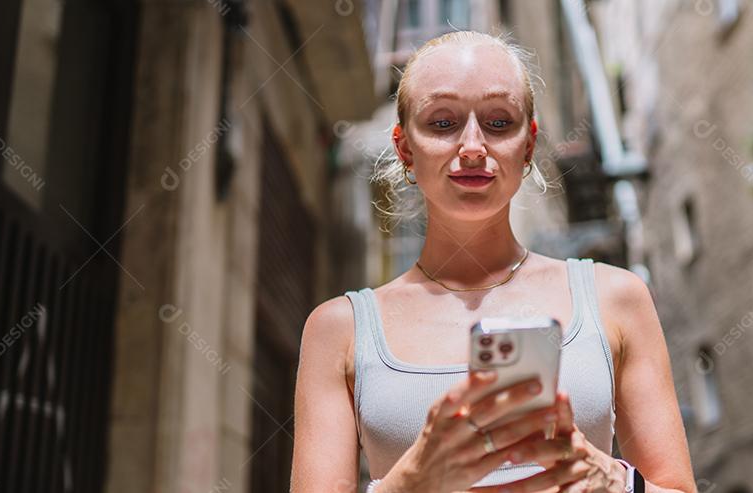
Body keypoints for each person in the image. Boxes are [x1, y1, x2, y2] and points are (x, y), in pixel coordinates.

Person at [291, 30, 695, 493]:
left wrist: (612, 480)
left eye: (499, 122)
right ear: (404, 148)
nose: (472, 147)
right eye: (442, 123)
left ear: (528, 145)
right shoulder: (338, 329)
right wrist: (408, 483)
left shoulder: (616, 299)